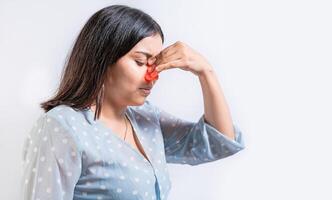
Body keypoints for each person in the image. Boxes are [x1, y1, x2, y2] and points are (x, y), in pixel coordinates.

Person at [20, 4, 245, 200]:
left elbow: (219, 143)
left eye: (155, 65)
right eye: (140, 62)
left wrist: (206, 72)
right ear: (103, 59)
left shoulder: (146, 117)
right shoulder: (60, 127)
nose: (153, 75)